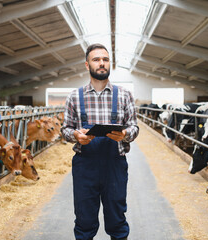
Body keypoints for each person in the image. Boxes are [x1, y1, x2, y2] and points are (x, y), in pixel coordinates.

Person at [61, 43, 139, 240]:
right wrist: (76, 136)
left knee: (117, 218)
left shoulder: (124, 95)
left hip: (115, 164)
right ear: (87, 65)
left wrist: (125, 135)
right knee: (84, 220)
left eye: (105, 59)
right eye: (96, 60)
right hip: (85, 166)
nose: (101, 63)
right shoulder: (74, 97)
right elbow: (65, 129)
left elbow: (134, 127)